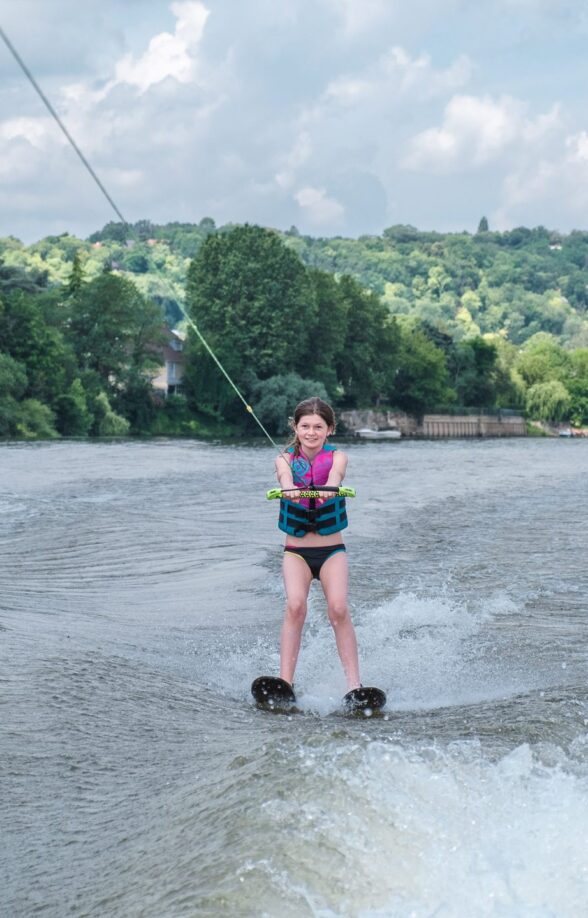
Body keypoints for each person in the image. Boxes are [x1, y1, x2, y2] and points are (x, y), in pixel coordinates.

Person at [274, 396, 361, 692]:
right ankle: (285, 682)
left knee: (338, 608)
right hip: (296, 552)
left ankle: (354, 686)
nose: (311, 432)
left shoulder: (338, 457)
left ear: (330, 429)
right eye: (305, 426)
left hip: (331, 551)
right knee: (295, 606)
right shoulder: (284, 459)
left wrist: (330, 490)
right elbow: (285, 479)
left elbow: (335, 477)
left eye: (318, 427)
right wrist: (289, 491)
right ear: (296, 428)